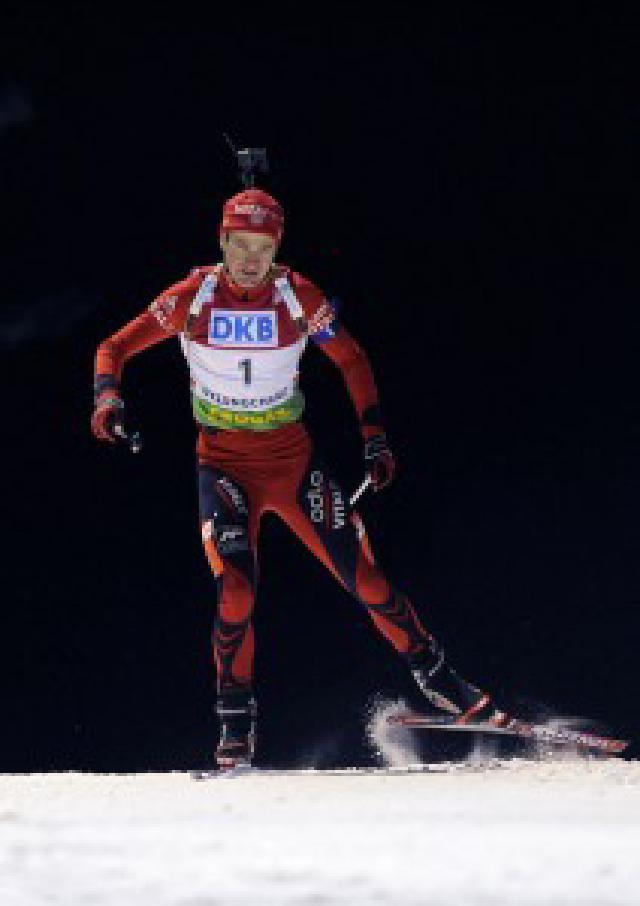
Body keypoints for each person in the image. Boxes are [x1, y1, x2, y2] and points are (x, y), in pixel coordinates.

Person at [91, 188, 508, 769]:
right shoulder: (193, 297)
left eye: (263, 248)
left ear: (277, 248)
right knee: (235, 590)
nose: (251, 261)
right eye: (241, 247)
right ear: (223, 243)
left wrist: (374, 436)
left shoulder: (297, 297)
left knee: (365, 579)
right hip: (224, 467)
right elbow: (113, 347)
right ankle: (235, 725)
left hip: (293, 466)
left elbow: (351, 359)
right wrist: (106, 400)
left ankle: (443, 680)